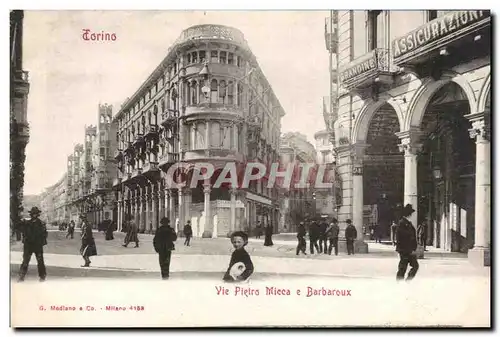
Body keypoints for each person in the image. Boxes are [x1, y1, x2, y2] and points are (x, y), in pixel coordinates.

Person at [18, 207, 48, 282]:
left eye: (36, 213)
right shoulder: (27, 223)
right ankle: (21, 276)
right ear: (31, 214)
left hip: (37, 245)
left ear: (38, 214)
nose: (34, 215)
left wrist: (41, 241)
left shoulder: (41, 224)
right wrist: (21, 221)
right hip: (28, 245)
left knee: (40, 261)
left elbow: (45, 234)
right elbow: (20, 228)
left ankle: (42, 276)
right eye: (33, 213)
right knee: (25, 261)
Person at [396, 204, 419, 281]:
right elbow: (401, 238)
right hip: (405, 250)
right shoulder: (402, 223)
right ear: (408, 214)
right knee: (403, 267)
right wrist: (408, 249)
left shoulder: (408, 223)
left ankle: (407, 281)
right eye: (410, 213)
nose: (411, 215)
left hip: (409, 250)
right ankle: (400, 283)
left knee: (414, 266)